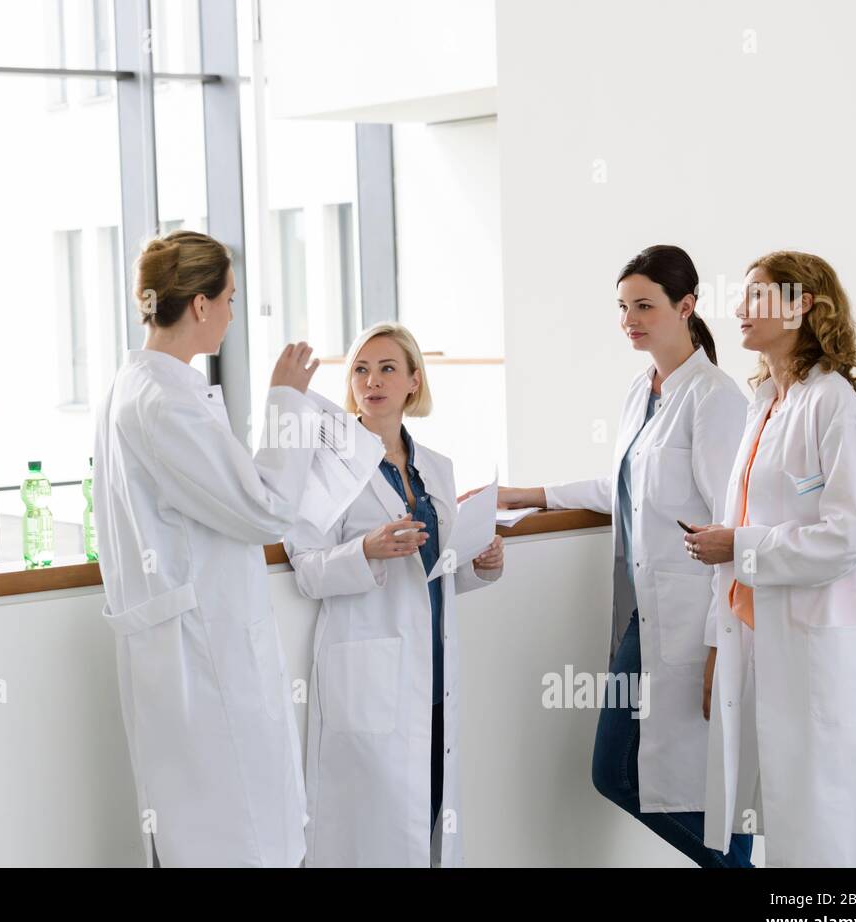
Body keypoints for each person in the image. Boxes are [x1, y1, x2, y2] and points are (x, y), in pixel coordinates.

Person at [494, 246, 752, 866]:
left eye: (644, 305)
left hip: (696, 618)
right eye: (622, 307)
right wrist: (528, 494)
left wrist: (723, 640)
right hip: (647, 613)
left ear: (686, 306)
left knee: (661, 776)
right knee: (634, 773)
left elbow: (733, 528)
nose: (630, 320)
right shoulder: (644, 390)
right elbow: (626, 488)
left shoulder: (714, 399)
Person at [93, 230, 321, 867]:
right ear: (198, 305)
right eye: (227, 299)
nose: (229, 313)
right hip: (205, 656)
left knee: (214, 837)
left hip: (187, 649)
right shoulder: (166, 402)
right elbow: (265, 508)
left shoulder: (139, 388)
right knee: (240, 840)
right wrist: (285, 402)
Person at [687, 251, 856, 867]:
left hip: (821, 645)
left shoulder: (832, 403)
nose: (739, 308)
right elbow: (746, 521)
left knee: (831, 812)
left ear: (801, 305)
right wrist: (715, 635)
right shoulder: (766, 404)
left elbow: (853, 533)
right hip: (764, 635)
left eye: (756, 296)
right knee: (789, 811)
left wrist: (741, 547)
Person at [284, 322, 504, 867]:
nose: (372, 381)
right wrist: (365, 551)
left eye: (387, 369)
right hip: (367, 672)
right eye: (360, 369)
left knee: (427, 819)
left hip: (432, 674)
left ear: (412, 382)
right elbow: (307, 567)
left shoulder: (438, 467)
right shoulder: (323, 465)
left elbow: (439, 571)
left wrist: (481, 564)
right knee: (370, 834)